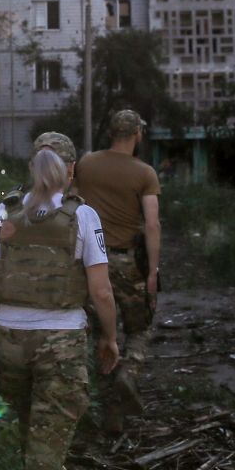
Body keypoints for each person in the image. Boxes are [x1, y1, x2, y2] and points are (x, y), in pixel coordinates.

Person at [0, 132, 119, 470]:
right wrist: (110, 338)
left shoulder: (6, 211)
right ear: (70, 170)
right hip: (59, 343)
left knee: (32, 437)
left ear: (32, 166)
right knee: (45, 449)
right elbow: (100, 290)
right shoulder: (83, 216)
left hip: (9, 341)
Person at [74, 109, 161, 436]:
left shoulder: (85, 164)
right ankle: (129, 375)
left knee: (102, 336)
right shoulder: (145, 172)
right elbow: (152, 224)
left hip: (90, 263)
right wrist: (152, 270)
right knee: (139, 328)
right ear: (137, 134)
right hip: (127, 262)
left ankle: (112, 415)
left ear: (110, 133)